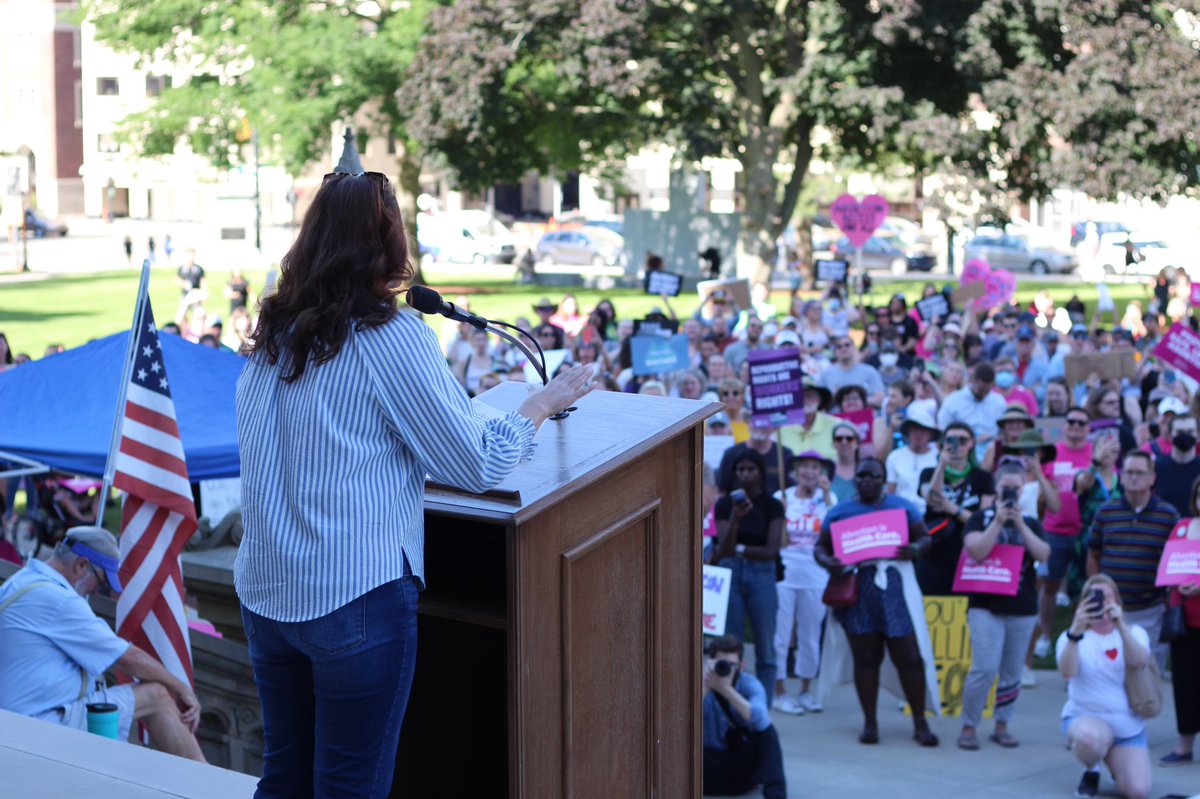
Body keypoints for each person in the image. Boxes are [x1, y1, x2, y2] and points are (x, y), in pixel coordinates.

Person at [236, 171, 593, 798]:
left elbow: (349, 434)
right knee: (349, 788)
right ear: (389, 243)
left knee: (285, 780)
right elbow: (476, 466)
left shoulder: (276, 331)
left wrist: (469, 408)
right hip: (352, 596)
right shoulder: (390, 336)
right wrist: (537, 407)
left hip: (268, 594)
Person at [0, 527, 205, 761]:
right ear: (81, 566)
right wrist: (182, 689)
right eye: (100, 584)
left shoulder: (22, 580)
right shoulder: (60, 601)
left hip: (15, 722)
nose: (95, 593)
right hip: (39, 725)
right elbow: (130, 659)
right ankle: (211, 785)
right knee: (156, 695)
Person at [814, 458, 939, 747]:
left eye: (874, 476)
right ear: (855, 479)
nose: (867, 480)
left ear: (884, 479)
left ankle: (920, 720)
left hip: (894, 587)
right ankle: (870, 721)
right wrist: (828, 562)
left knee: (908, 655)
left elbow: (924, 537)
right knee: (866, 657)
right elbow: (820, 547)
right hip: (859, 589)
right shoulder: (840, 511)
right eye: (862, 476)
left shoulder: (902, 506)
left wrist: (915, 549)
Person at [956, 462, 1050, 751]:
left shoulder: (1032, 523)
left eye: (1016, 488)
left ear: (1024, 490)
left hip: (1021, 607)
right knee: (984, 668)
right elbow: (976, 551)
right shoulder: (980, 519)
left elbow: (1044, 554)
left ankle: (1002, 725)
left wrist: (1019, 522)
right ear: (996, 489)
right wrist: (997, 521)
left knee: (1012, 671)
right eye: (1005, 488)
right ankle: (969, 725)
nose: (1010, 493)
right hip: (984, 605)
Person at [1057, 574, 1153, 799]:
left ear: (1118, 602)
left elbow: (1139, 661)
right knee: (1089, 740)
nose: (1103, 603)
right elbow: (1067, 672)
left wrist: (1120, 625)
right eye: (1096, 598)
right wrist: (1075, 631)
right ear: (1084, 603)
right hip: (1086, 719)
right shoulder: (1072, 636)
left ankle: (1113, 763)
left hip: (1127, 726)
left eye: (1109, 597)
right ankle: (1091, 769)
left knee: (1137, 791)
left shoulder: (1135, 633)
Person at [1087, 451, 1180, 659]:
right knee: (1108, 672)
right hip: (1108, 609)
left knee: (1148, 675)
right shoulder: (1105, 512)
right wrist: (1097, 592)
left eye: (1139, 472)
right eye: (1128, 471)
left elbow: (1176, 562)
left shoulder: (1168, 515)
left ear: (1152, 478)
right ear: (1121, 475)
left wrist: (1167, 599)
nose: (1133, 477)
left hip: (1150, 610)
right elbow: (1093, 554)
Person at [712, 449, 785, 695]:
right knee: (731, 645)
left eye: (750, 469)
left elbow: (771, 550)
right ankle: (731, 702)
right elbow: (723, 549)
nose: (745, 475)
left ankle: (760, 710)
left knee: (765, 645)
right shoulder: (724, 505)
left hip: (762, 575)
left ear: (760, 473)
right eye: (740, 470)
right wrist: (734, 518)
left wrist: (740, 549)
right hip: (731, 573)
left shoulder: (772, 505)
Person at [772, 451, 835, 715]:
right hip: (785, 576)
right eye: (804, 467)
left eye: (815, 467)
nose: (809, 472)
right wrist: (781, 514)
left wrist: (829, 498)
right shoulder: (780, 498)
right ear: (795, 471)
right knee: (781, 635)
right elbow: (774, 537)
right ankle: (779, 692)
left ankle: (806, 691)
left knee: (810, 636)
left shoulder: (828, 500)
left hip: (816, 576)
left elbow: (836, 532)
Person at [1032, 406, 1095, 660]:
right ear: (1065, 425)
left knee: (1084, 588)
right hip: (1053, 530)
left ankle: (1078, 636)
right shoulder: (1052, 452)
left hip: (1086, 532)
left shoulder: (1094, 454)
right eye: (1072, 421)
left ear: (1088, 428)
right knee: (1049, 586)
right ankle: (1045, 636)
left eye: (1082, 423)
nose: (1077, 427)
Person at [702, 636, 787, 799]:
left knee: (768, 732)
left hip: (740, 773)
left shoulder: (750, 684)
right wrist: (706, 687)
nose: (725, 669)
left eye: (731, 665)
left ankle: (776, 795)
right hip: (705, 772)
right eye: (721, 664)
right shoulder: (699, 683)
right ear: (710, 663)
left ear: (741, 666)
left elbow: (761, 719)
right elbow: (677, 721)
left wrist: (726, 690)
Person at [916, 422, 995, 596]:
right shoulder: (929, 473)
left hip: (967, 555)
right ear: (942, 443)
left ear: (972, 443)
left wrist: (951, 508)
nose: (956, 445)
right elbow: (931, 497)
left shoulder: (983, 478)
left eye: (962, 440)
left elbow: (983, 520)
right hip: (933, 555)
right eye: (950, 440)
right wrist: (942, 466)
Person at [1160, 482, 1200, 767]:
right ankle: (1184, 747)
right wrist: (1176, 586)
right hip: (1184, 622)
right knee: (1184, 684)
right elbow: (1169, 566)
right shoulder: (1183, 528)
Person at [937, 363, 1007, 462]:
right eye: (980, 390)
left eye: (986, 391)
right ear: (973, 381)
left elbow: (1005, 432)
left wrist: (994, 437)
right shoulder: (953, 400)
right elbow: (942, 429)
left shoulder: (999, 402)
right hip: (959, 451)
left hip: (991, 452)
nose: (983, 394)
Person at [885, 406, 940, 515]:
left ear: (931, 434)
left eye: (923, 430)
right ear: (908, 431)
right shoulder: (895, 456)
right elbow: (891, 491)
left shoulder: (939, 457)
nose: (918, 434)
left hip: (930, 513)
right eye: (915, 429)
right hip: (901, 512)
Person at [817, 335, 885, 407]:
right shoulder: (825, 374)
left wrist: (858, 401)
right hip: (835, 416)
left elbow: (880, 399)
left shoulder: (870, 371)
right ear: (835, 351)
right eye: (839, 347)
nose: (843, 348)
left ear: (854, 348)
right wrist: (835, 398)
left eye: (847, 345)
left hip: (864, 415)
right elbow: (819, 403)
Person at [1153, 414, 1200, 516]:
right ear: (1170, 435)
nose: (1185, 435)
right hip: (1164, 526)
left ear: (1198, 436)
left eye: (1190, 431)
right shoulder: (1156, 466)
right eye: (1179, 432)